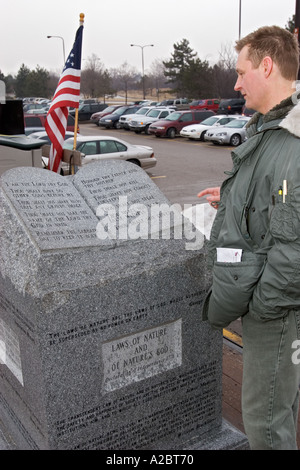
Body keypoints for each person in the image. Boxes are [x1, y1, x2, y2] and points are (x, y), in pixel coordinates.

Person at [198, 25, 300, 450]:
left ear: (268, 65)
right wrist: (233, 196)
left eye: (242, 72)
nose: (236, 83)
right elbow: (277, 201)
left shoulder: (292, 141)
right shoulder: (269, 130)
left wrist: (260, 307)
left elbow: (294, 250)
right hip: (263, 302)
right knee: (274, 412)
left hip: (273, 313)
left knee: (265, 422)